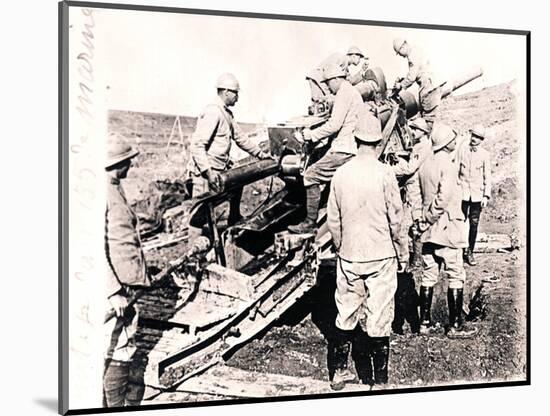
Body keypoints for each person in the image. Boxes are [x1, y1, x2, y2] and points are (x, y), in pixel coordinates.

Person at [327, 112, 408, 390]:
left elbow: (333, 219)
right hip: (381, 255)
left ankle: (339, 372)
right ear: (377, 141)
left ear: (356, 139)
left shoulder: (340, 174)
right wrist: (402, 252)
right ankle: (379, 382)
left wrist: (341, 246)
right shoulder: (385, 173)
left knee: (346, 311)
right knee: (379, 316)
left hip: (350, 255)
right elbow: (396, 218)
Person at [409, 122, 478, 339]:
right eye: (453, 140)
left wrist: (421, 219)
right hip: (447, 228)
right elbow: (444, 198)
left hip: (429, 232)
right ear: (446, 143)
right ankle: (456, 325)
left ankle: (424, 323)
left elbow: (415, 194)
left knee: (429, 275)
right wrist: (429, 218)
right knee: (456, 274)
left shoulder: (424, 164)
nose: (456, 142)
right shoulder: (447, 165)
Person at [186, 73, 271, 242]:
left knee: (236, 184)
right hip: (206, 173)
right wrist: (207, 172)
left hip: (218, 170)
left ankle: (233, 218)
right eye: (235, 93)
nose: (237, 98)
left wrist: (261, 155)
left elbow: (241, 138)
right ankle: (191, 258)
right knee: (198, 216)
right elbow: (197, 145)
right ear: (226, 92)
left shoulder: (227, 114)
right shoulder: (213, 113)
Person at [104, 135, 151, 407]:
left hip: (125, 280)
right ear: (118, 163)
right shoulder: (103, 192)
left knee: (122, 340)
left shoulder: (114, 187)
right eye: (128, 161)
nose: (131, 165)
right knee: (117, 344)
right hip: (116, 285)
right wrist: (112, 291)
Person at [289, 63, 363, 234]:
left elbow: (334, 125)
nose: (328, 87)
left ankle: (310, 222)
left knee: (310, 174)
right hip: (349, 145)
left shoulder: (344, 94)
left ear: (336, 79)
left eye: (328, 83)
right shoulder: (350, 91)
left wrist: (311, 135)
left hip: (344, 149)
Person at [392, 117, 433, 266]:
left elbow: (410, 168)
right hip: (417, 187)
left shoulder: (422, 147)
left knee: (405, 227)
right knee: (416, 223)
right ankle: (416, 258)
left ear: (422, 132)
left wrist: (390, 169)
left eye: (415, 129)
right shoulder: (423, 145)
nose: (413, 131)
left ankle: (406, 261)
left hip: (414, 189)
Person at [457, 124, 492, 266]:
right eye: (473, 136)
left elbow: (487, 176)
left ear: (481, 140)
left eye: (478, 138)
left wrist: (486, 196)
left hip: (477, 196)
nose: (474, 139)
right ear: (470, 135)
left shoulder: (485, 155)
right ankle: (458, 251)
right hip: (462, 193)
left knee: (474, 224)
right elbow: (456, 170)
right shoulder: (462, 150)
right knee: (459, 222)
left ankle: (470, 251)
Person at [392, 38, 442, 130]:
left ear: (403, 47)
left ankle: (428, 140)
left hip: (428, 87)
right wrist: (403, 79)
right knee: (428, 116)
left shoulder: (412, 56)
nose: (400, 56)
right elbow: (417, 71)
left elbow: (411, 77)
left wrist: (401, 85)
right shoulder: (416, 50)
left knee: (428, 119)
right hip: (431, 83)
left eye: (399, 53)